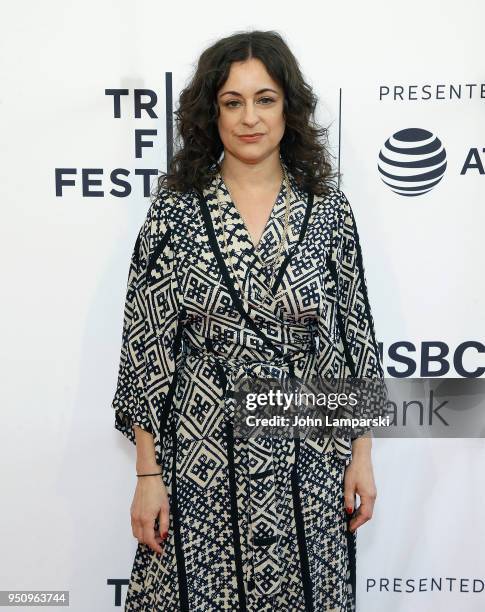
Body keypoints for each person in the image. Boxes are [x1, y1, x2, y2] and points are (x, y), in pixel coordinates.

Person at [111, 29, 385, 612]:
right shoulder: (174, 212)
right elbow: (145, 348)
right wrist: (146, 473)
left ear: (290, 107)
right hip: (199, 455)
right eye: (232, 102)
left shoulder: (329, 209)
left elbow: (356, 330)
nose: (249, 118)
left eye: (265, 99)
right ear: (213, 114)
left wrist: (361, 453)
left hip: (307, 455)